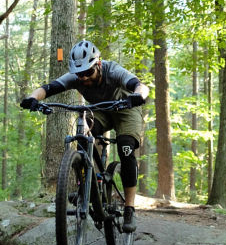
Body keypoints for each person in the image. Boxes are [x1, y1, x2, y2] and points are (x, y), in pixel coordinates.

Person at [20, 40, 149, 233]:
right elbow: (49, 88)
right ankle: (87, 185)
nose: (85, 78)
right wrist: (32, 98)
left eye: (89, 72)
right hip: (100, 111)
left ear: (98, 64)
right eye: (80, 75)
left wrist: (138, 96)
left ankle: (130, 208)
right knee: (82, 132)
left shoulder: (112, 70)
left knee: (125, 146)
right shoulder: (76, 77)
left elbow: (140, 85)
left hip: (125, 109)